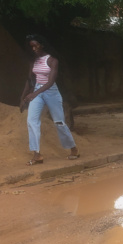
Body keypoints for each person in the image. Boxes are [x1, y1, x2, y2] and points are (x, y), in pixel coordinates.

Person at [20, 34, 79, 165]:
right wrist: (23, 98)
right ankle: (37, 154)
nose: (34, 48)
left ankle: (73, 149)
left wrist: (33, 94)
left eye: (36, 45)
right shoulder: (33, 61)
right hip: (37, 91)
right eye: (31, 47)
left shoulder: (52, 61)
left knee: (59, 122)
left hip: (51, 92)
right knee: (31, 120)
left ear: (42, 44)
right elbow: (29, 80)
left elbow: (50, 82)